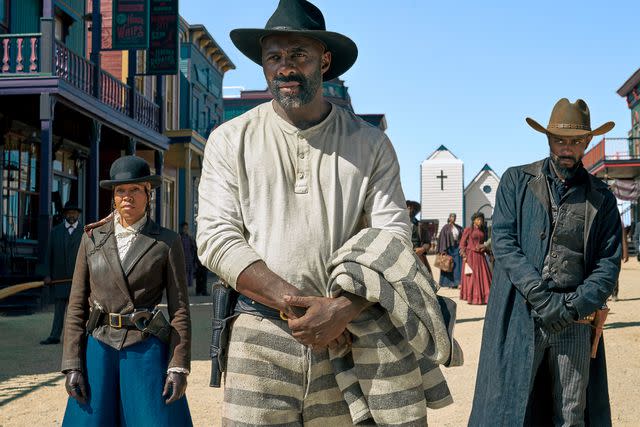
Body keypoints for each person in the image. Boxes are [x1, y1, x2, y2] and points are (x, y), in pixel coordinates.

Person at [196, 0, 454, 424]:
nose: (285, 68)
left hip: (348, 336)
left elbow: (392, 238)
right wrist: (293, 305)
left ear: (325, 60)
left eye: (299, 55)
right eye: (274, 57)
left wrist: (340, 310)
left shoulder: (370, 144)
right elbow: (217, 238)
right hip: (257, 334)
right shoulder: (230, 139)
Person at [470, 98, 622, 426]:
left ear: (588, 141)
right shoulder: (515, 181)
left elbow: (608, 263)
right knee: (508, 407)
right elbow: (505, 244)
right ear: (548, 139)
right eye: (560, 140)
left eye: (576, 141)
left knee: (571, 414)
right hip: (521, 315)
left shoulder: (602, 197)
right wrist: (542, 300)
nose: (567, 148)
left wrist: (569, 308)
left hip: (575, 321)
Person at [61, 155, 193, 426]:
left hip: (145, 346)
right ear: (114, 197)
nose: (127, 197)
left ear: (148, 194)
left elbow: (179, 308)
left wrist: (178, 365)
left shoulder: (167, 242)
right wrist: (73, 363)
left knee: (152, 420)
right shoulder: (91, 240)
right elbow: (76, 306)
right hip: (99, 345)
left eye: (135, 189)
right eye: (121, 191)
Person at [38, 201, 83, 345]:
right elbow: (48, 254)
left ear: (78, 215)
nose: (71, 215)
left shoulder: (85, 232)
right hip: (59, 279)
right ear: (65, 214)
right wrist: (47, 274)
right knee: (59, 311)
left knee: (77, 311)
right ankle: (54, 336)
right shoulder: (56, 231)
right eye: (69, 213)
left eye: (74, 212)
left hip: (78, 279)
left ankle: (78, 338)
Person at [459, 212, 492, 304]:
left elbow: (483, 244)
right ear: (474, 220)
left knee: (483, 277)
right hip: (471, 256)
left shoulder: (482, 231)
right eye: (478, 219)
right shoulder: (468, 230)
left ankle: (484, 297)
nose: (480, 221)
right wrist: (464, 255)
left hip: (481, 257)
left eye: (481, 220)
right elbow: (462, 244)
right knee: (473, 277)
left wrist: (488, 252)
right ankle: (473, 298)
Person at [437, 213, 464, 288]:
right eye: (452, 217)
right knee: (448, 265)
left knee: (458, 266)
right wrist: (443, 250)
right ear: (449, 218)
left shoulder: (458, 227)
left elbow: (462, 235)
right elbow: (442, 239)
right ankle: (449, 283)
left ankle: (457, 283)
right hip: (448, 248)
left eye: (455, 217)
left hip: (456, 247)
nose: (454, 218)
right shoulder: (445, 228)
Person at [407, 200, 432, 273]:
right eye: (407, 208)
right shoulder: (398, 225)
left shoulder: (421, 226)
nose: (409, 210)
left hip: (418, 256)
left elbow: (427, 243)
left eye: (411, 208)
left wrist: (422, 249)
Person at [179, 222, 197, 288]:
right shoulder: (179, 237)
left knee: (189, 272)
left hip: (189, 258)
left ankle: (186, 286)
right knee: (183, 273)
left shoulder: (189, 238)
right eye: (184, 228)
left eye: (187, 228)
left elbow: (192, 248)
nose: (185, 230)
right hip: (182, 258)